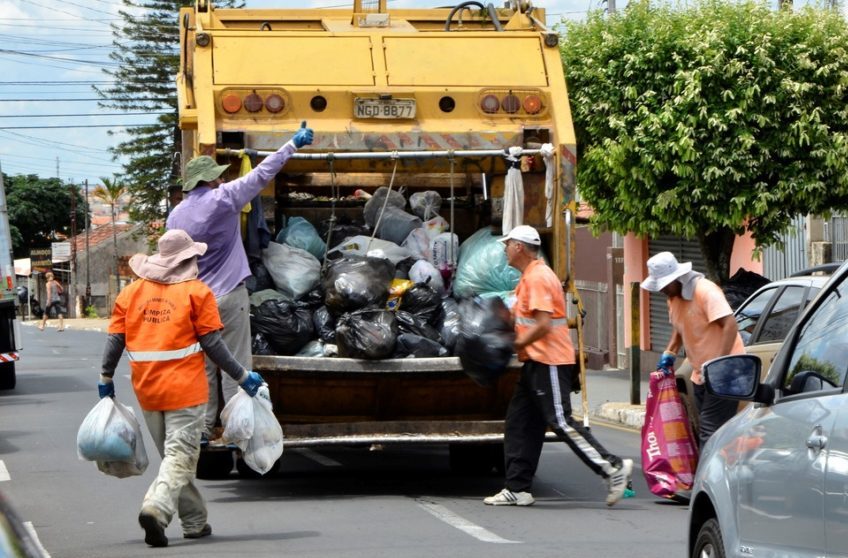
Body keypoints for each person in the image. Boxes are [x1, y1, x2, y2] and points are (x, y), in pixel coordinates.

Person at [97, 229, 266, 548]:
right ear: (187, 259)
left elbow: (114, 341)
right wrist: (243, 376)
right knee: (180, 457)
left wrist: (105, 379)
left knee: (176, 459)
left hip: (147, 391)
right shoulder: (197, 293)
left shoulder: (130, 294)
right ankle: (157, 509)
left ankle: (195, 522)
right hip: (185, 392)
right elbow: (214, 345)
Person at [166, 122, 314, 442]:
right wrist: (292, 144)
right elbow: (262, 174)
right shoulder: (225, 198)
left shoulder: (175, 216)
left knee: (204, 368)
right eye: (218, 174)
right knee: (235, 367)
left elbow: (171, 260)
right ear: (210, 179)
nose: (222, 177)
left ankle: (205, 429)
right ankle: (237, 430)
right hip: (229, 297)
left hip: (194, 301)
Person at [484, 225, 634, 507]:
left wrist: (513, 346)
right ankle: (518, 488)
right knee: (520, 424)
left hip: (549, 361)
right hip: (534, 363)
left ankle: (612, 468)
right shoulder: (529, 277)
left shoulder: (539, 277)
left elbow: (542, 324)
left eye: (507, 244)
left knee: (562, 421)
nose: (504, 249)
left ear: (519, 247)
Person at [640, 251, 745, 448]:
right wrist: (668, 354)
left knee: (710, 427)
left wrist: (718, 364)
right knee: (710, 427)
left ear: (677, 278)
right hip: (701, 373)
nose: (661, 290)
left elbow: (730, 325)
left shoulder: (705, 291)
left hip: (727, 371)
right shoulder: (673, 298)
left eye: (664, 285)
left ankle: (705, 477)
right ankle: (722, 470)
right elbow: (680, 328)